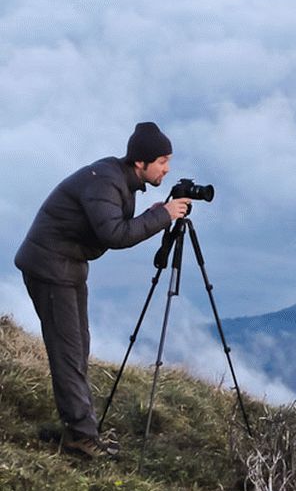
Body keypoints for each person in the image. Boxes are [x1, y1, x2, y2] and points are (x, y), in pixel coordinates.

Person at [14, 122, 191, 458]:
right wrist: (164, 216)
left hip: (67, 266)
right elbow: (115, 234)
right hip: (50, 268)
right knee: (69, 351)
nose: (167, 169)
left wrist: (153, 214)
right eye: (163, 161)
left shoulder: (117, 179)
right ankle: (81, 436)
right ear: (141, 162)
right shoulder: (106, 181)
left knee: (78, 347)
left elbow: (112, 225)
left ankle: (81, 429)